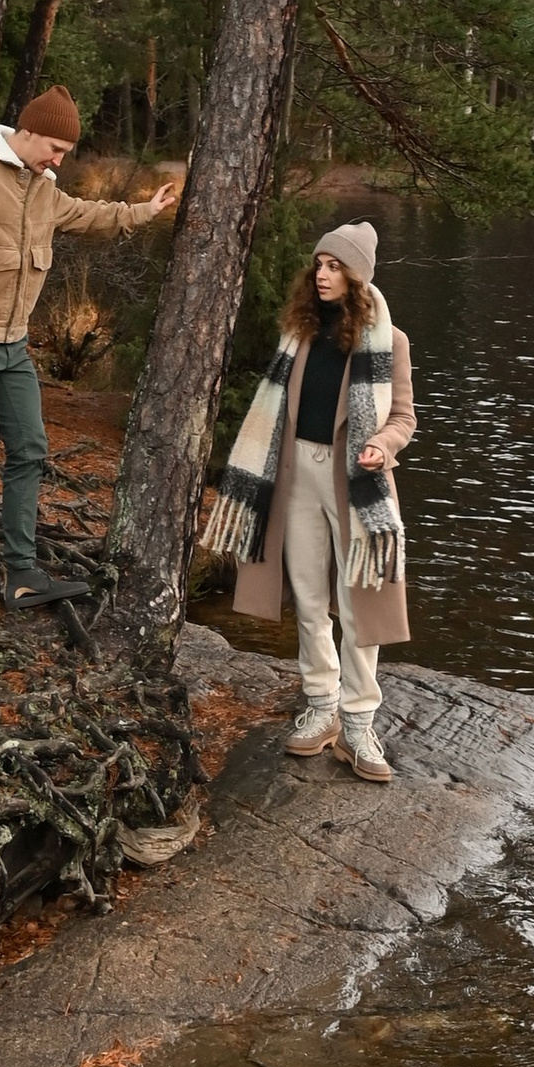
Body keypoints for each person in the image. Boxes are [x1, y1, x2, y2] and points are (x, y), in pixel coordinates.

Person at [0, 85, 180, 606]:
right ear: (25, 132)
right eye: (53, 147)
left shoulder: (43, 188)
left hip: (15, 347)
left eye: (65, 153)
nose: (58, 159)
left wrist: (145, 211)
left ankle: (21, 572)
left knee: (30, 450)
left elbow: (87, 214)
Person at [199, 220, 415, 781]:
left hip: (356, 482)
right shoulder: (296, 334)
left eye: (334, 266)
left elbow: (404, 418)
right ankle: (321, 708)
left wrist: (381, 445)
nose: (322, 274)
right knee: (311, 599)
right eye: (318, 264)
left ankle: (359, 723)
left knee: (358, 599)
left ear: (357, 276)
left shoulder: (389, 342)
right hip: (296, 473)